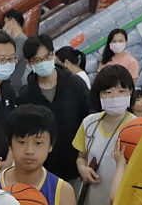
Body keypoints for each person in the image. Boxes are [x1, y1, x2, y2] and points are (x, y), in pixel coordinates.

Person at [73, 65, 136, 205]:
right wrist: (82, 168)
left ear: (131, 93)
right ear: (98, 95)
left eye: (121, 91)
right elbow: (81, 157)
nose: (115, 97)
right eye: (107, 92)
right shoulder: (89, 123)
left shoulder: (137, 127)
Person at [0, 104, 78, 205]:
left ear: (50, 145)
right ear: (10, 144)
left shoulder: (63, 191)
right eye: (21, 142)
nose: (29, 151)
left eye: (38, 143)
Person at [18, 34, 91, 182]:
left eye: (46, 57)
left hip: (76, 164)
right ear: (29, 63)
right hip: (43, 170)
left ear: (53, 55)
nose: (43, 62)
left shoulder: (75, 83)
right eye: (37, 60)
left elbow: (89, 117)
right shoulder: (26, 95)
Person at [2, 9, 28, 88]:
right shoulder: (15, 39)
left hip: (13, 84)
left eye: (6, 22)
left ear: (12, 21)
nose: (4, 26)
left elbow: (12, 62)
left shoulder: (21, 39)